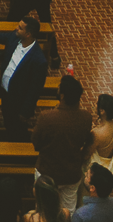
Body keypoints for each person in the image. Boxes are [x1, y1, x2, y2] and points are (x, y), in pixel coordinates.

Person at [0, 13, 49, 135]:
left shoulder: (39, 60)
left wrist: (25, 112)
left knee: (16, 128)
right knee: (7, 120)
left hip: (18, 100)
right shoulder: (14, 38)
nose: (16, 28)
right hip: (5, 92)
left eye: (20, 28)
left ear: (28, 34)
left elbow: (35, 90)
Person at [33, 75, 93, 209]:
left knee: (43, 210)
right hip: (71, 174)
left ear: (62, 96)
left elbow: (36, 143)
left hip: (47, 171)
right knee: (69, 209)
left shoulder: (46, 117)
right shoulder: (86, 117)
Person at [91, 93, 113, 170]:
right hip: (109, 166)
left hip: (96, 170)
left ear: (102, 111)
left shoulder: (97, 133)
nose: (94, 105)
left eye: (96, 104)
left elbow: (86, 155)